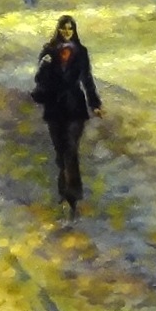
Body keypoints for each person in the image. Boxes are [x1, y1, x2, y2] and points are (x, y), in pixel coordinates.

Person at [30, 14, 103, 220]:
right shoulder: (49, 51)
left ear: (74, 31)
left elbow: (87, 79)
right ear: (59, 30)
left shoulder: (81, 52)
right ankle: (64, 191)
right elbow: (39, 79)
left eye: (70, 29)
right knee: (61, 153)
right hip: (54, 108)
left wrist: (95, 104)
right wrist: (45, 64)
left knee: (71, 149)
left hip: (75, 108)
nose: (67, 32)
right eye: (64, 28)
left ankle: (71, 196)